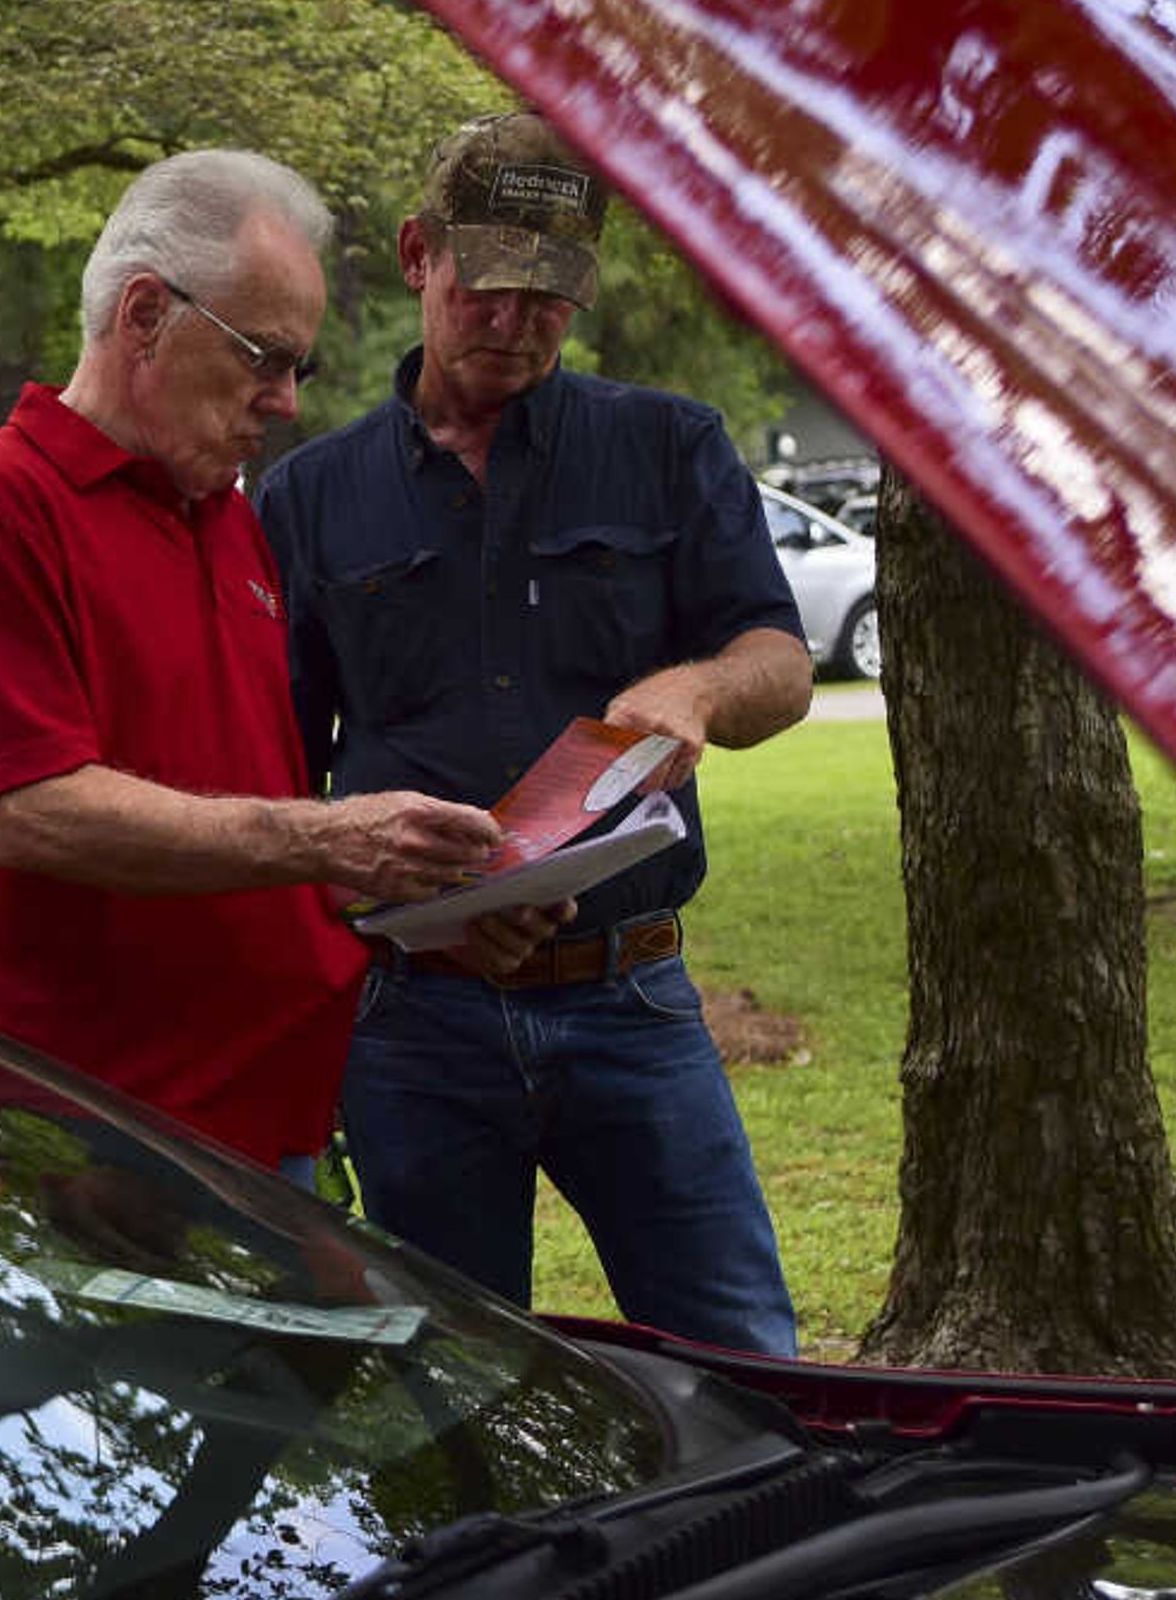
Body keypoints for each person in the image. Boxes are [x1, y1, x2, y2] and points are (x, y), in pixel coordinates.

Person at [256, 111, 814, 1352]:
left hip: (631, 995)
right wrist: (398, 905)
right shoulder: (308, 495)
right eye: (486, 285)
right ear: (417, 255)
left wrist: (699, 693)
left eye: (549, 294)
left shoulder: (668, 448)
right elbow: (283, 782)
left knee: (743, 1360)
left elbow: (780, 662)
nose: (513, 321)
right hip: (416, 1025)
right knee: (448, 1386)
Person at [0, 149, 524, 1186]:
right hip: (101, 1140)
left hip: (274, 1119)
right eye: (263, 357)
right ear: (144, 314)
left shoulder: (226, 515)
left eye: (299, 370)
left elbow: (251, 815)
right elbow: (34, 811)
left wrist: (425, 900)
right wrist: (336, 837)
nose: (284, 403)